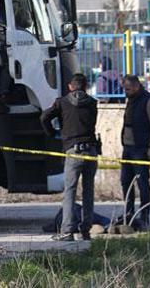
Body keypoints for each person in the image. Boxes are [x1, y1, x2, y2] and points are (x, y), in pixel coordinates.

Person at [41, 73, 99, 241]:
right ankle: (86, 230)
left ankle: (67, 231)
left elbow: (44, 117)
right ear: (86, 86)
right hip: (91, 151)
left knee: (70, 192)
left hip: (73, 152)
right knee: (88, 191)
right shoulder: (92, 103)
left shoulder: (62, 102)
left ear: (70, 86)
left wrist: (53, 133)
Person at [121, 74, 150, 227]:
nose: (126, 92)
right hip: (128, 148)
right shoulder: (131, 100)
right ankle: (129, 215)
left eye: (129, 89)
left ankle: (144, 216)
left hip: (141, 148)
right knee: (126, 182)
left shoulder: (149, 100)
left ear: (137, 86)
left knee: (142, 184)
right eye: (125, 89)